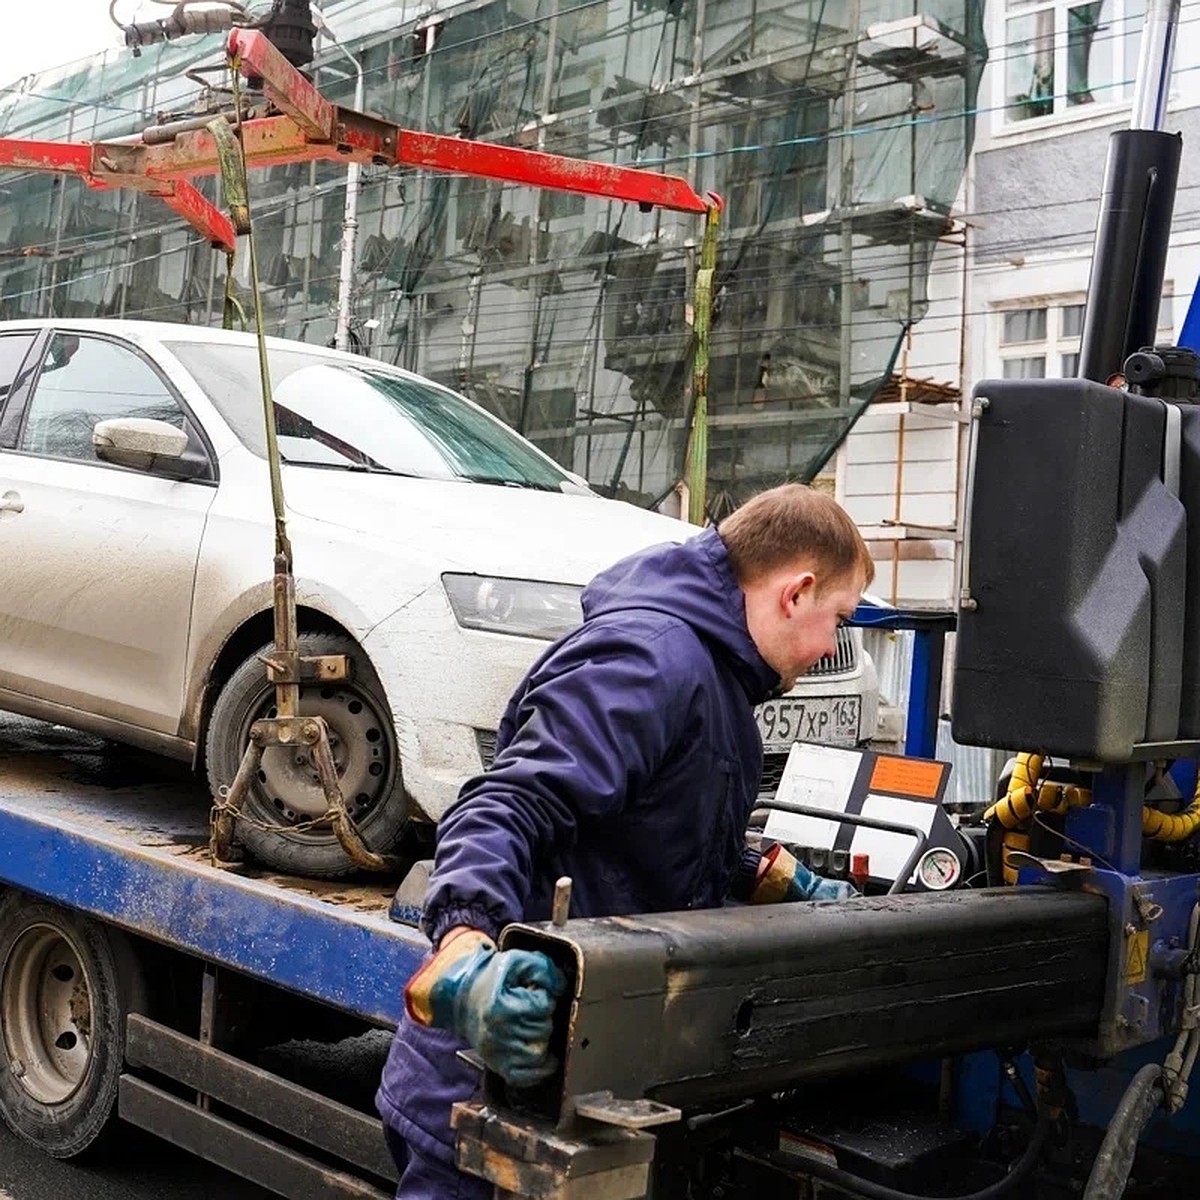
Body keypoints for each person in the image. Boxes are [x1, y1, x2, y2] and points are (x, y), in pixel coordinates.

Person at [376, 482, 874, 1198]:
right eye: (840, 619)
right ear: (796, 593)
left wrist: (771, 873)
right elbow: (508, 803)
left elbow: (648, 816)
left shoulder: (713, 674)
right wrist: (463, 956)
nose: (832, 645)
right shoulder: (652, 660)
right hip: (489, 1087)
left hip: (568, 1073)